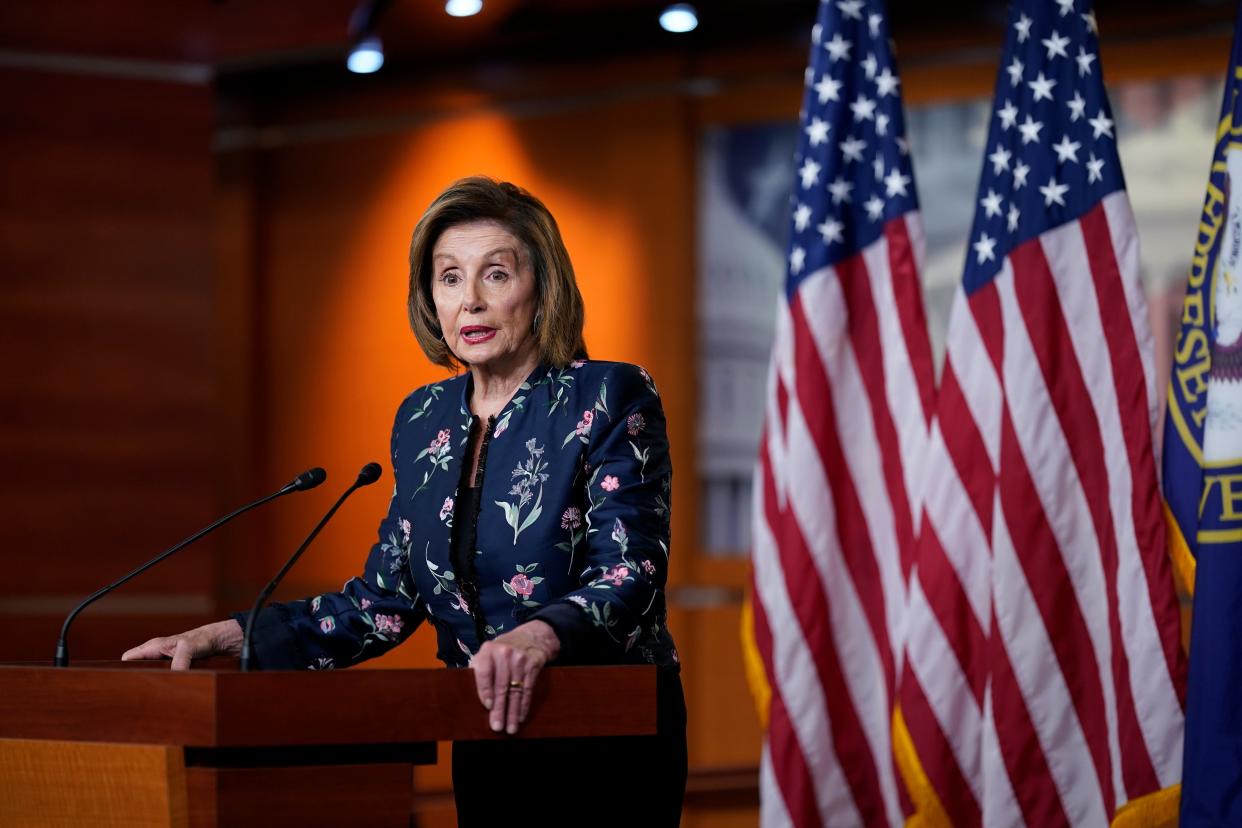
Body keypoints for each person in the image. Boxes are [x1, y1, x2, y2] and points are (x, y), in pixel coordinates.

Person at [123, 176, 687, 825]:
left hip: (606, 738)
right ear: (430, 298)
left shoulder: (607, 396)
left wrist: (538, 637)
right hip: (487, 732)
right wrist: (235, 634)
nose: (469, 300)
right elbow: (383, 603)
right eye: (449, 278)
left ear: (542, 288)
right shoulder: (425, 419)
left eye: (495, 274)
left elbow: (630, 576)